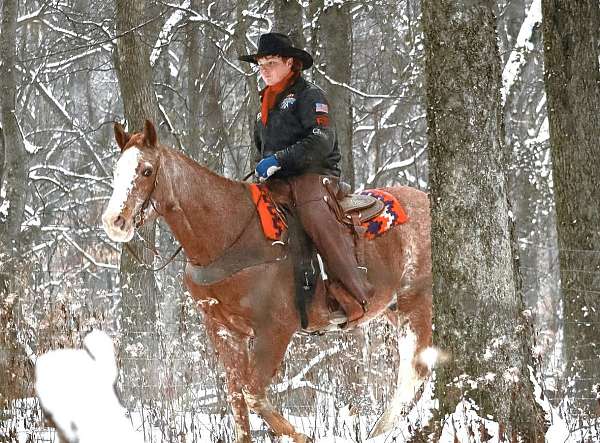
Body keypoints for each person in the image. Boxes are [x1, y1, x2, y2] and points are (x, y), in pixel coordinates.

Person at [239, 32, 373, 325]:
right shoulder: (264, 103)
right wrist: (264, 165)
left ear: (290, 63)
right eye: (260, 64)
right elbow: (261, 148)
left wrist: (280, 159)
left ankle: (351, 291)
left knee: (312, 211)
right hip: (278, 181)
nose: (264, 70)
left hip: (315, 175)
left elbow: (321, 139)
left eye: (271, 62)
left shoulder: (309, 95)